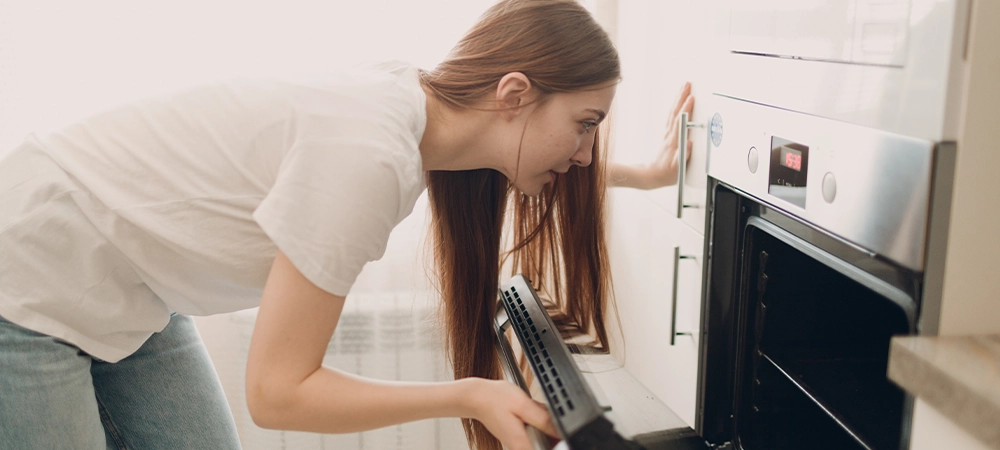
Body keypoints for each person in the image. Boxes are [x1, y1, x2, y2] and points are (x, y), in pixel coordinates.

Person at [0, 0, 695, 449]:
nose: (582, 154)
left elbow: (522, 151)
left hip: (135, 291)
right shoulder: (367, 159)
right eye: (585, 127)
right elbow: (278, 393)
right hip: (30, 277)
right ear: (513, 93)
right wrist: (471, 394)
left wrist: (649, 174)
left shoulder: (415, 106)